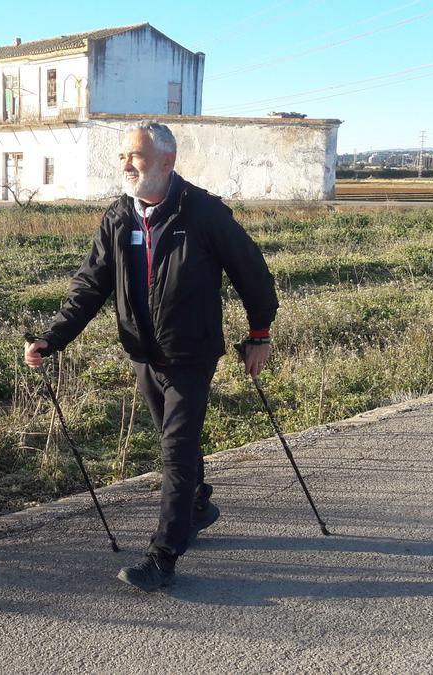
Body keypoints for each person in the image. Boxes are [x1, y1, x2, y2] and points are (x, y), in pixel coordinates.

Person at [24, 120, 278, 592]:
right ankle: (198, 506)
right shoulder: (120, 215)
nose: (126, 165)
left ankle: (163, 557)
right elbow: (91, 285)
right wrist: (52, 338)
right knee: (172, 438)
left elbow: (253, 273)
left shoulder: (202, 212)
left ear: (167, 161)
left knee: (175, 451)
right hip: (143, 352)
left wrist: (259, 333)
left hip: (190, 353)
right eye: (122, 156)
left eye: (135, 156)